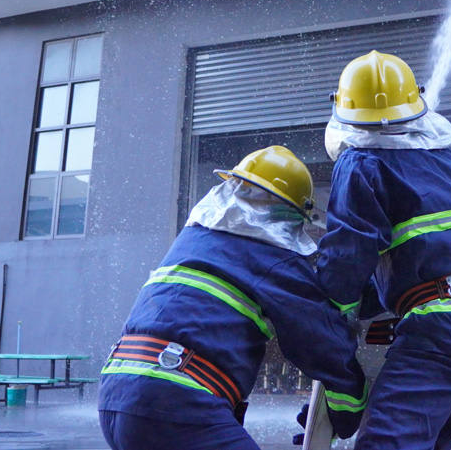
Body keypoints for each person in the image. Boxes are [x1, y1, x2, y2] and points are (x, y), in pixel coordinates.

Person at [98, 145, 368, 450]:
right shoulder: (275, 259)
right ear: (293, 213)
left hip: (115, 396)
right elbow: (323, 345)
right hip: (175, 403)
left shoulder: (193, 239)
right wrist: (345, 411)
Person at [317, 51, 451, 450]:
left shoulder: (361, 162)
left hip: (442, 333)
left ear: (341, 109)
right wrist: (368, 306)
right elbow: (441, 253)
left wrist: (326, 320)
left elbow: (346, 258)